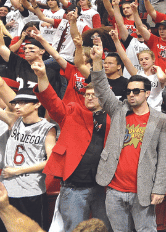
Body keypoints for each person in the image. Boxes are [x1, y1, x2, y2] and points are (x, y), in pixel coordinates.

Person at [90, 44, 166, 232]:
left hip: (142, 190)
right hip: (114, 189)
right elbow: (102, 90)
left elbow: (165, 158)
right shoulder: (119, 110)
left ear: (147, 93)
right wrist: (97, 62)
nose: (131, 95)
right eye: (129, 91)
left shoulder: (162, 120)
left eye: (136, 91)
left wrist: (159, 188)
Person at [32, 60, 111, 232]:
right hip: (74, 188)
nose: (89, 97)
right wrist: (42, 76)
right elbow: (52, 101)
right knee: (74, 229)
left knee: (105, 229)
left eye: (94, 94)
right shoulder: (73, 111)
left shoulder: (113, 118)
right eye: (87, 94)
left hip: (102, 188)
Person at [0, 82, 57, 232]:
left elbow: (50, 160)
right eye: (17, 103)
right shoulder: (13, 121)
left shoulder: (47, 128)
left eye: (23, 102)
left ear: (37, 103)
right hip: (8, 190)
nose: (17, 106)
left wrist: (17, 171)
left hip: (32, 191)